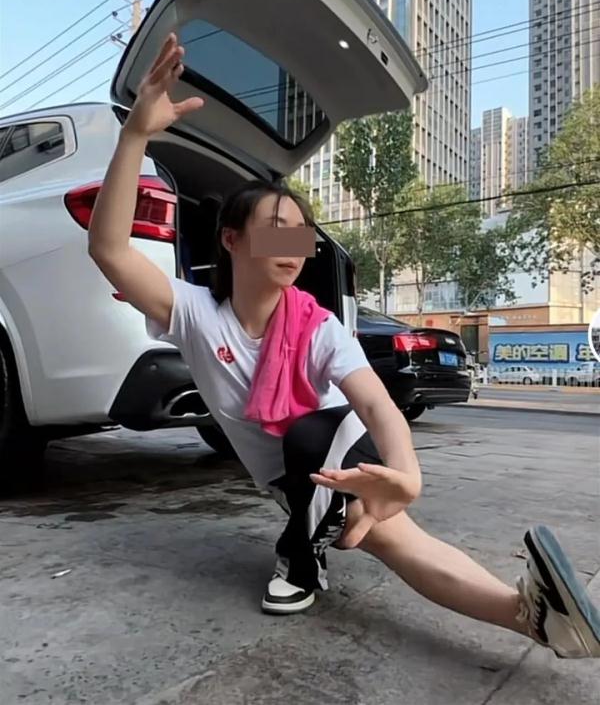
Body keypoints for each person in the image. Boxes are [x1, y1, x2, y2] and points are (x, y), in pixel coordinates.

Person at [88, 34, 600, 659]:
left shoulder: (318, 326)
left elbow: (377, 406)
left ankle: (522, 615)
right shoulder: (195, 313)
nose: (293, 245)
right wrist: (134, 137)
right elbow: (109, 249)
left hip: (336, 449)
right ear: (231, 240)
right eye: (276, 229)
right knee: (362, 510)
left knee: (373, 510)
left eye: (301, 233)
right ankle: (312, 546)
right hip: (292, 476)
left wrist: (405, 476)